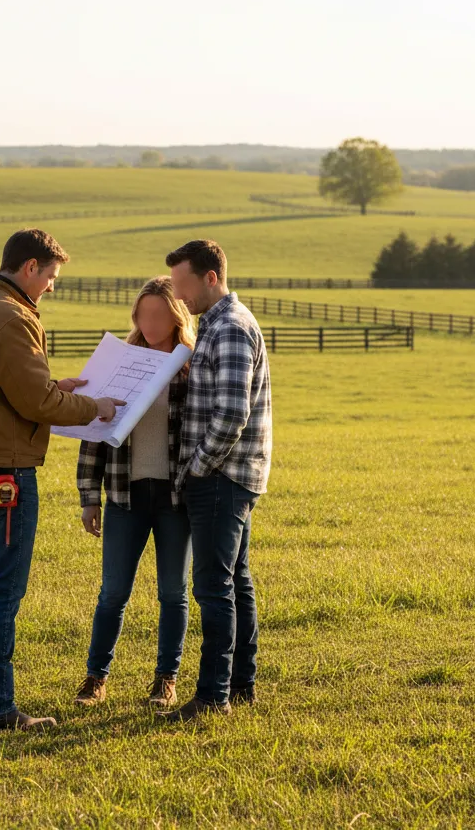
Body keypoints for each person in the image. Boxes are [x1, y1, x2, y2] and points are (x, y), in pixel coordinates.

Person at [0, 228, 126, 731]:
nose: (52, 287)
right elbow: (34, 404)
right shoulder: (11, 316)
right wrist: (95, 406)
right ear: (30, 268)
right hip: (4, 472)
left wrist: (52, 386)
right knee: (1, 588)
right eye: (51, 276)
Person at [159, 239, 271, 723]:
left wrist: (196, 469)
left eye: (183, 285)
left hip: (221, 477)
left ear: (210, 277)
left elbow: (231, 415)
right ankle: (240, 685)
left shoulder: (228, 328)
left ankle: (212, 696)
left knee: (212, 588)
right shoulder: (218, 324)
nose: (178, 296)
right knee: (235, 582)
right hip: (233, 475)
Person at [73, 277, 196, 709]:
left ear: (176, 316)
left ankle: (166, 679)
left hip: (175, 500)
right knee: (113, 592)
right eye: (143, 314)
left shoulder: (190, 370)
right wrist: (90, 495)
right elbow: (94, 434)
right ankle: (95, 678)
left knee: (172, 593)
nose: (150, 322)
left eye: (159, 314)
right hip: (124, 497)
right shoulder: (118, 366)